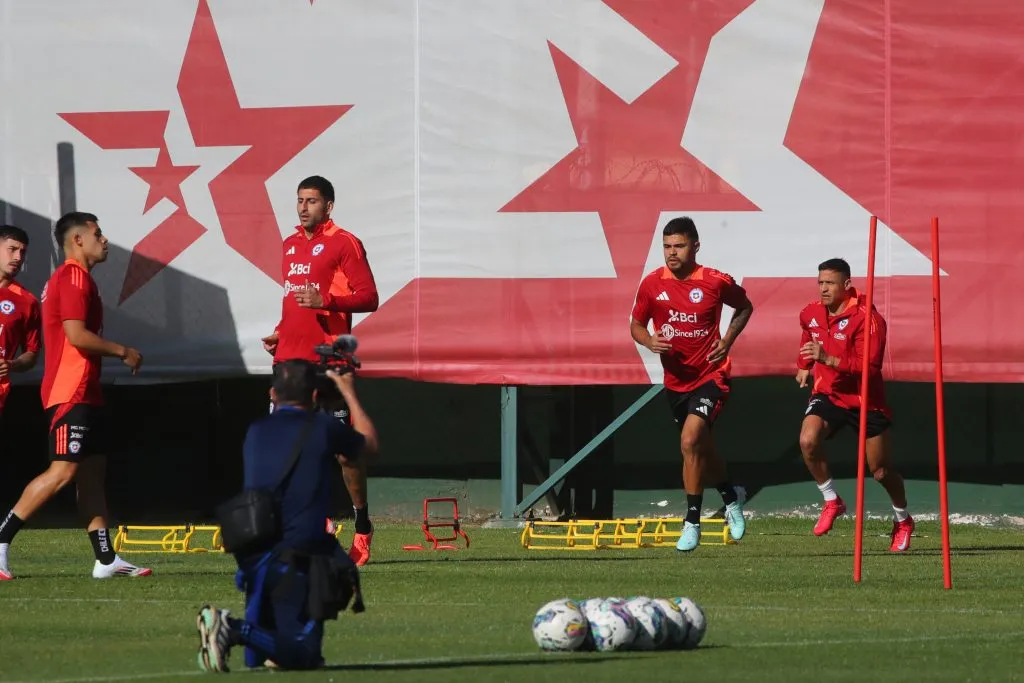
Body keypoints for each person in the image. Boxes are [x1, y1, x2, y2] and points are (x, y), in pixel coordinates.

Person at [195, 360, 376, 673]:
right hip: (299, 558)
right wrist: (348, 392)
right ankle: (232, 628)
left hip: (251, 551)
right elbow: (368, 446)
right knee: (305, 658)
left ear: (272, 394)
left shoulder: (256, 430)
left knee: (258, 659)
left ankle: (236, 632)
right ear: (316, 396)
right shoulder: (323, 428)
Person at [0, 212, 148, 581]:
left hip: (87, 390)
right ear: (78, 240)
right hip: (71, 390)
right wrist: (122, 350)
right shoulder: (71, 276)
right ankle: (1, 541)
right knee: (63, 470)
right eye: (98, 233)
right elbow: (77, 335)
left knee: (92, 475)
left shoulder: (78, 280)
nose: (105, 239)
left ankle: (106, 559)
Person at [260, 175, 380, 567]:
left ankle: (362, 523)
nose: (303, 207)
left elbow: (369, 297)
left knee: (346, 456)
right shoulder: (290, 244)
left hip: (328, 363)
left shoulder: (345, 242)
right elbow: (292, 303)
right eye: (299, 200)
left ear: (328, 206)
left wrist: (325, 299)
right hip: (289, 364)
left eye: (311, 201)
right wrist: (281, 333)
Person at [630, 217, 754, 552]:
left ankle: (692, 522)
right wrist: (648, 341)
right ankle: (730, 496)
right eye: (667, 246)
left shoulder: (714, 281)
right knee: (700, 446)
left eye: (679, 245)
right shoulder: (652, 283)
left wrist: (727, 340)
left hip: (711, 376)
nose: (672, 253)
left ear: (695, 246)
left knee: (689, 441)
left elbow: (744, 306)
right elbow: (636, 325)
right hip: (676, 383)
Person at [796, 258, 914, 551]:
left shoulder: (868, 318)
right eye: (820, 282)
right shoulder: (811, 312)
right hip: (829, 394)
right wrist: (804, 363)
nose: (823, 289)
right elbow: (809, 334)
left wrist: (827, 359)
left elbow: (869, 368)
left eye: (830, 283)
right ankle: (832, 500)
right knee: (808, 440)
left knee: (881, 472)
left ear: (846, 285)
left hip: (865, 401)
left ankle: (902, 519)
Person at [0, 225, 41, 418]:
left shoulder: (27, 301)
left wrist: (12, 364)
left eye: (22, 252)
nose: (18, 257)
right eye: (12, 249)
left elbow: (31, 353)